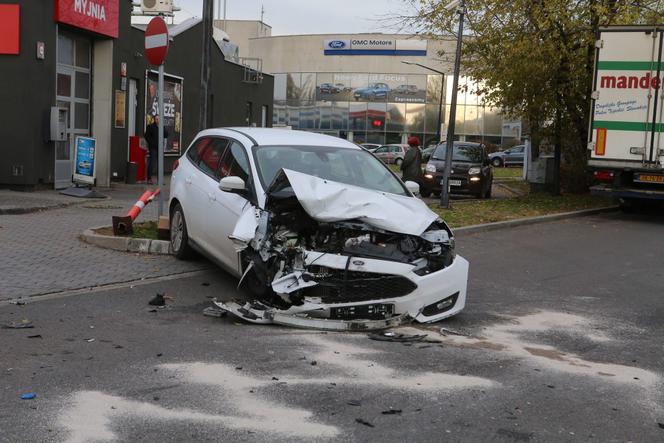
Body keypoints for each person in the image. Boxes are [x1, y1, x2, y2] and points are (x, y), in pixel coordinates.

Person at [144, 115, 168, 184]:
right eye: (156, 119)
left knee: (160, 164)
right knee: (152, 163)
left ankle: (159, 180)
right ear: (154, 120)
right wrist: (151, 143)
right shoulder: (150, 127)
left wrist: (163, 128)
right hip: (153, 148)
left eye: (159, 119)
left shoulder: (161, 127)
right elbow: (146, 136)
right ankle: (149, 179)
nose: (158, 120)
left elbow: (166, 135)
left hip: (160, 148)